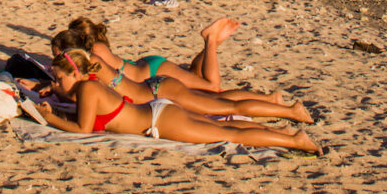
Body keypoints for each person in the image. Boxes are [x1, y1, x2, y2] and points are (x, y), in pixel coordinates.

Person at [35, 49, 320, 153]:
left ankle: (294, 139)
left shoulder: (88, 89)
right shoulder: (90, 85)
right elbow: (80, 109)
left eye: (58, 78)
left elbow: (83, 129)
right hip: (158, 107)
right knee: (225, 124)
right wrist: (54, 93)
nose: (56, 83)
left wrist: (50, 118)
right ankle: (282, 131)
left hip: (160, 118)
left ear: (76, 72)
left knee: (229, 130)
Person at [49, 28, 312, 123]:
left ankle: (290, 111)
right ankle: (273, 101)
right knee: (216, 101)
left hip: (158, 90)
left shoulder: (92, 64)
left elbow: (81, 101)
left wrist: (55, 91)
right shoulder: (92, 63)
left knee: (224, 105)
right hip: (155, 86)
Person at [62, 16, 237, 93]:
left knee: (211, 88)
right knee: (194, 75)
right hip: (146, 67)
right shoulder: (98, 47)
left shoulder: (96, 51)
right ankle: (211, 45)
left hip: (152, 72)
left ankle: (211, 40)